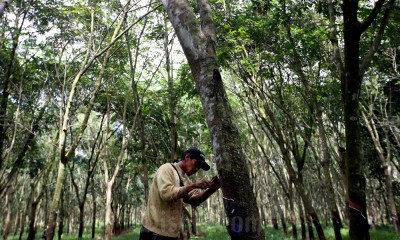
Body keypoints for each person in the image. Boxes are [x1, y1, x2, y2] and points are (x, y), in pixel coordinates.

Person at [140, 148, 220, 240]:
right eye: (197, 164)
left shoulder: (185, 179)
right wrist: (194, 185)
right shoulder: (167, 169)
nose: (197, 169)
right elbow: (166, 194)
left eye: (199, 167)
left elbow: (194, 200)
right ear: (187, 157)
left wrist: (212, 189)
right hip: (153, 233)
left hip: (171, 235)